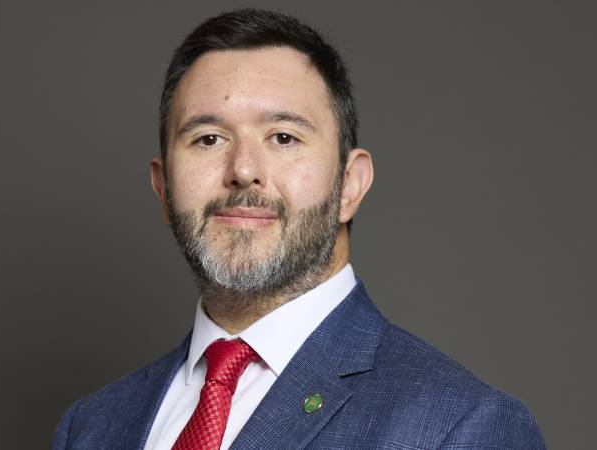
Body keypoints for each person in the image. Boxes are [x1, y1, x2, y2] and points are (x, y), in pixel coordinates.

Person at [53, 8, 545, 449]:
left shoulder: (460, 427)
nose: (244, 170)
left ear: (349, 184)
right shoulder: (92, 426)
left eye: (284, 137)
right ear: (163, 187)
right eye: (208, 139)